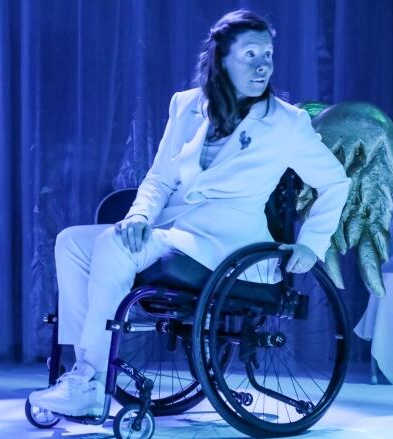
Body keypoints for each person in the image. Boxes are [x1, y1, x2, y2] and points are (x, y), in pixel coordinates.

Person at [29, 9, 350, 417]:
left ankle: (90, 383)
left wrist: (311, 243)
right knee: (73, 241)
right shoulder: (186, 107)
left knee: (114, 245)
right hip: (174, 231)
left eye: (267, 54)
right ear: (221, 59)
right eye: (250, 54)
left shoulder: (286, 123)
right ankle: (79, 372)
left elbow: (336, 182)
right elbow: (160, 178)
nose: (263, 64)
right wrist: (140, 217)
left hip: (226, 245)